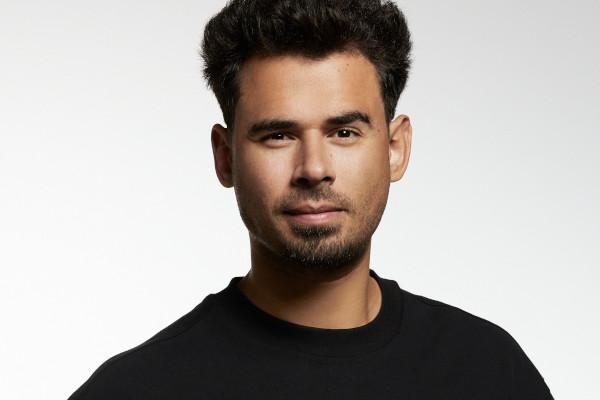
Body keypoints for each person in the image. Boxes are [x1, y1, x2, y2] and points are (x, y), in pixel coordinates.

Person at [69, 0, 554, 398]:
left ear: (395, 149)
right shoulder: (134, 390)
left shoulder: (491, 372)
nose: (314, 168)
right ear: (226, 158)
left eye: (344, 132)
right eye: (278, 135)